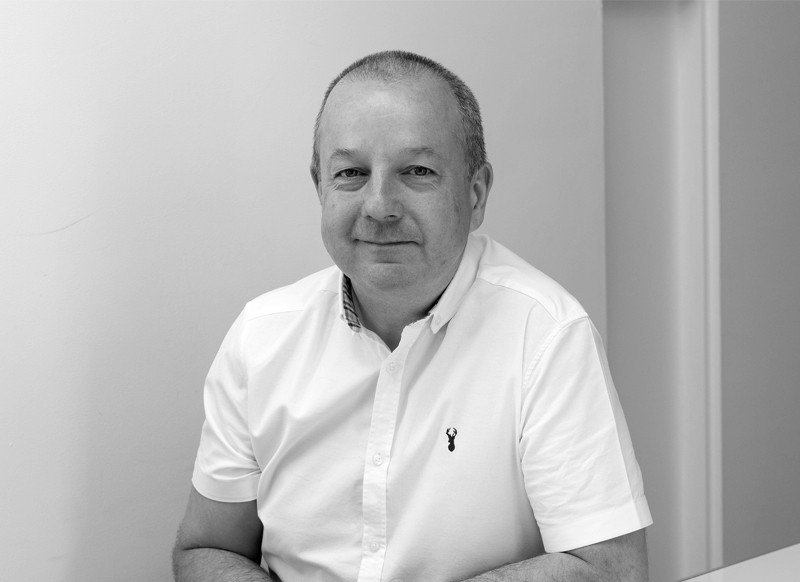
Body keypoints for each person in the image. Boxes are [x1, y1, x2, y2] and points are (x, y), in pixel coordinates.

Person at [173, 50, 652, 582]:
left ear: (476, 193)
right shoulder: (260, 336)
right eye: (351, 173)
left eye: (417, 171)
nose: (380, 205)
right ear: (320, 187)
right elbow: (206, 549)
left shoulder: (545, 335)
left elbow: (611, 570)